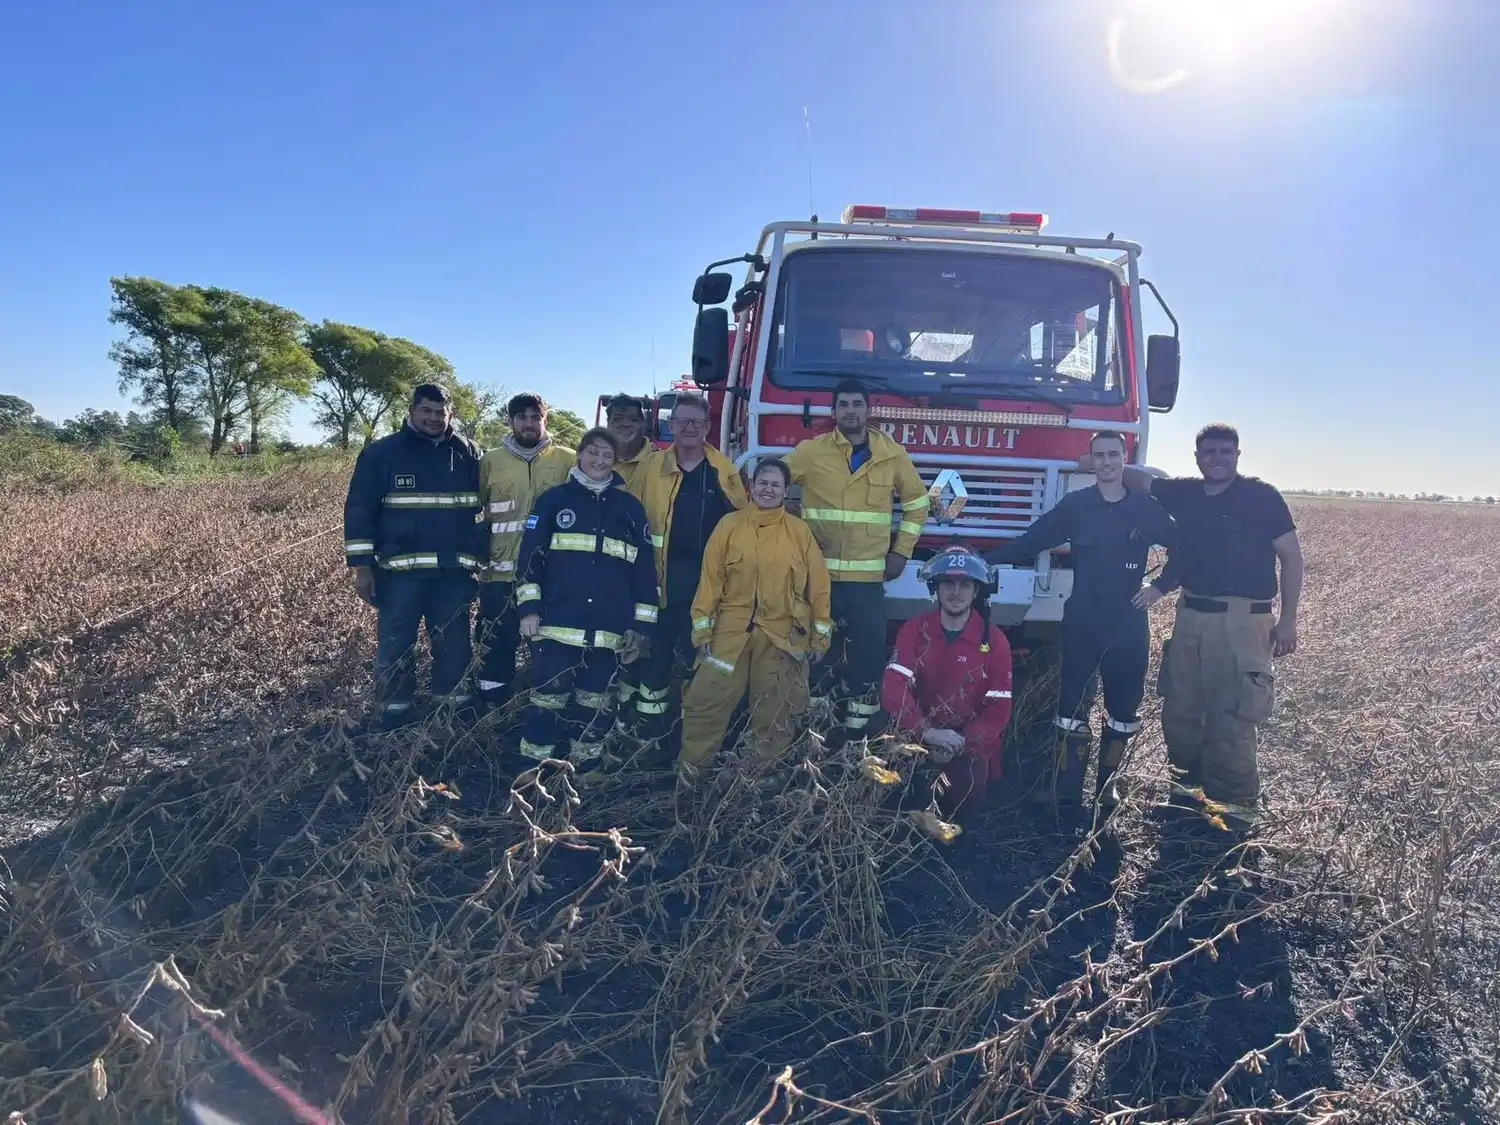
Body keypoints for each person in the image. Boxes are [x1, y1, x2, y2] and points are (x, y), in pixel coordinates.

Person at [985, 431, 1177, 818]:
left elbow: (1186, 548)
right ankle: (1065, 789)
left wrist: (1160, 587)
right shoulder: (1076, 506)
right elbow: (1030, 542)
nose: (1106, 462)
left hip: (1127, 624)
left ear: (1125, 458)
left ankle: (1108, 790)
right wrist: (978, 559)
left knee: (1124, 710)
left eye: (1113, 454)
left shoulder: (1144, 507)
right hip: (1082, 620)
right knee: (1070, 706)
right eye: (1099, 456)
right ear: (1091, 461)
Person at [1125, 423, 1304, 831]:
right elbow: (1134, 476)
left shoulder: (1262, 498)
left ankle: (1235, 814)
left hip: (1244, 620)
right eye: (1209, 453)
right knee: (1181, 711)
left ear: (1238, 455)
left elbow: (1291, 559)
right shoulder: (1187, 492)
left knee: (1232, 716)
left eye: (1225, 452)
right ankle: (1187, 800)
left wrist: (1289, 620)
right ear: (1197, 458)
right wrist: (1093, 457)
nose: (1217, 459)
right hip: (1190, 616)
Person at [783, 378, 929, 745]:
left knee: (866, 664)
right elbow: (769, 483)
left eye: (857, 404)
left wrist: (901, 551)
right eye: (843, 405)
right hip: (819, 581)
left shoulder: (891, 454)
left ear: (868, 410)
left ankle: (857, 742)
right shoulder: (811, 452)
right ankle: (814, 741)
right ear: (833, 412)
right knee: (819, 661)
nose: (850, 411)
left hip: (868, 583)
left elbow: (917, 503)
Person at [343, 383, 486, 727]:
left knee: (454, 648)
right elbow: (359, 510)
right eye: (427, 411)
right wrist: (363, 567)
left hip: (452, 574)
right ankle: (393, 716)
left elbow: (489, 508)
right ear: (412, 411)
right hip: (399, 576)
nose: (434, 418)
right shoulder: (383, 453)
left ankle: (450, 716)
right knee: (395, 647)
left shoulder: (470, 453)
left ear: (451, 414)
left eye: (441, 412)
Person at [514, 429, 659, 766]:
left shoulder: (630, 509)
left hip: (610, 630)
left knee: (594, 708)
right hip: (557, 625)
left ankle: (583, 777)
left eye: (607, 455)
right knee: (547, 704)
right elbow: (530, 560)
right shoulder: (554, 500)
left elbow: (644, 573)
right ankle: (531, 775)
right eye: (593, 452)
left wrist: (643, 629)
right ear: (579, 455)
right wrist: (529, 610)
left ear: (616, 462)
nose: (600, 460)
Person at [678, 458, 833, 773]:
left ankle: (755, 791)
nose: (768, 489)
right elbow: (709, 582)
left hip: (781, 638)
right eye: (762, 482)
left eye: (775, 484)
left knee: (775, 718)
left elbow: (819, 588)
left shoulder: (799, 532)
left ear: (786, 491)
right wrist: (702, 632)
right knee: (704, 709)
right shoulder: (729, 526)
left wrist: (820, 638)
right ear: (751, 486)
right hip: (728, 635)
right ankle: (690, 784)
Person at [628, 392, 747, 741]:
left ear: (709, 427)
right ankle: (649, 739)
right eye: (683, 422)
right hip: (658, 582)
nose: (690, 428)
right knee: (656, 662)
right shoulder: (650, 468)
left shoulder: (724, 471)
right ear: (671, 425)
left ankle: (698, 737)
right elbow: (631, 518)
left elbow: (742, 524)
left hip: (708, 586)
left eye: (697, 422)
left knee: (706, 662)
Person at [882, 544, 1014, 821]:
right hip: (916, 734)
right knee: (895, 797)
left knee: (966, 799)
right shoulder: (915, 630)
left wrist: (962, 744)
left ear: (976, 591)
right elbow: (895, 688)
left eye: (965, 584)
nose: (956, 592)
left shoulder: (995, 641)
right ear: (936, 588)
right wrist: (926, 733)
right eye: (948, 584)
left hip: (965, 741)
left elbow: (998, 709)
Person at [474, 393, 575, 711]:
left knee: (549, 649)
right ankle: (493, 708)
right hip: (499, 577)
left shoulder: (568, 460)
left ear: (546, 420)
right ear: (510, 421)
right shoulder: (490, 461)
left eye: (536, 417)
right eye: (522, 417)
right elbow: (473, 512)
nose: (529, 424)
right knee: (495, 647)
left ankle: (544, 710)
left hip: (550, 578)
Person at [604, 394, 654, 489]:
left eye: (634, 420)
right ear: (608, 423)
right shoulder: (591, 459)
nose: (625, 424)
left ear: (644, 425)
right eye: (618, 419)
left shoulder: (662, 462)